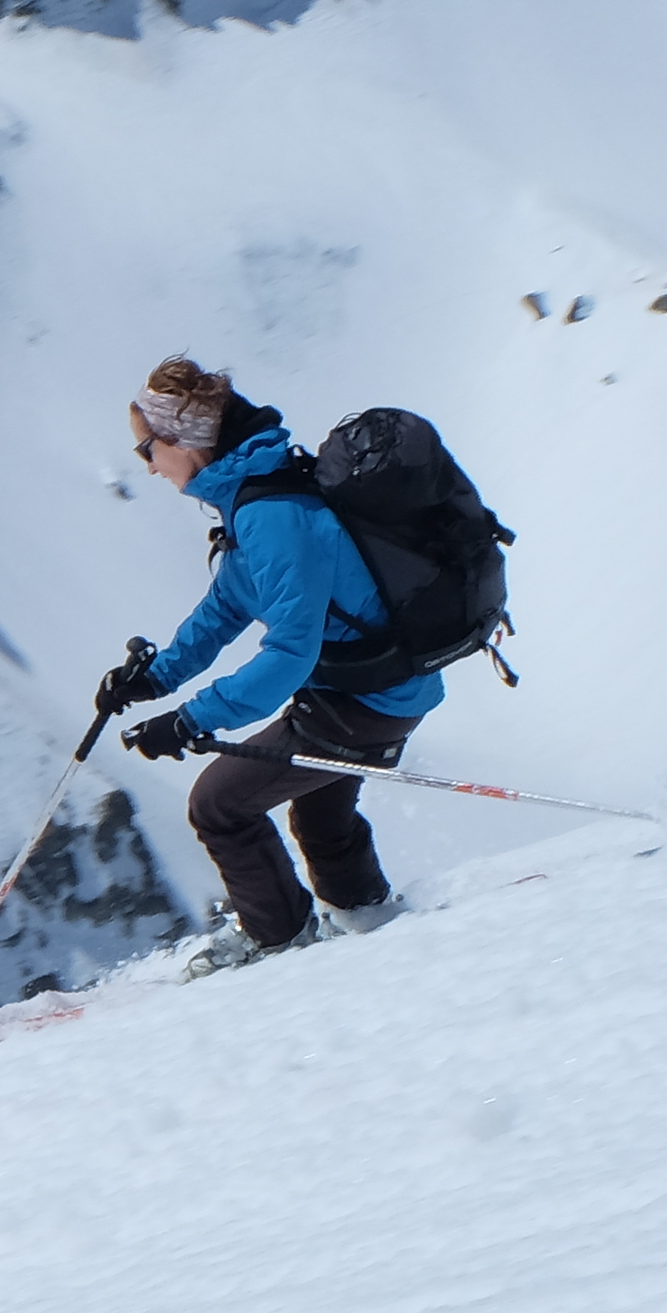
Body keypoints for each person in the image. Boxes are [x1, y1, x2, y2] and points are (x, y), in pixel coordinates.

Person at [93, 355, 442, 969]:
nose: (146, 465)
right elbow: (226, 606)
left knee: (217, 805)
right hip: (370, 685)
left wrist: (191, 719)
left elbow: (289, 652)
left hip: (370, 698)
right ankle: (369, 920)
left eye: (148, 448)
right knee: (320, 809)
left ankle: (277, 942)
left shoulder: (270, 513)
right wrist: (152, 680)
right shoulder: (251, 494)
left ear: (184, 441)